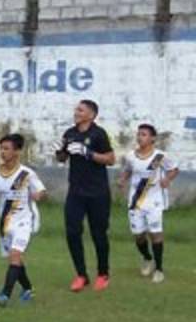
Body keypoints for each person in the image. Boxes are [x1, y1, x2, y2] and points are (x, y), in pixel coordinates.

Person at [0, 134, 47, 305]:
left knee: (15, 254)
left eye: (6, 149)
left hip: (24, 221)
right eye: (1, 149)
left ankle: (5, 294)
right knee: (15, 259)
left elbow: (41, 191)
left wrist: (38, 195)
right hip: (5, 223)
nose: (3, 152)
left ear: (17, 151)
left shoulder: (26, 174)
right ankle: (28, 289)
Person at [55, 99, 115, 292]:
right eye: (76, 109)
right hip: (76, 192)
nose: (76, 112)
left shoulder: (98, 134)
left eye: (80, 110)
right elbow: (63, 159)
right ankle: (81, 275)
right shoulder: (70, 134)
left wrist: (88, 153)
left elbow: (110, 159)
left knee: (98, 234)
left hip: (98, 193)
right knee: (72, 232)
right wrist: (60, 152)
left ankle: (103, 273)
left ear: (91, 114)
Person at [117, 123, 179, 283]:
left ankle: (159, 269)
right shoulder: (131, 156)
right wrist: (122, 179)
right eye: (139, 134)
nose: (140, 137)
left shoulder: (160, 156)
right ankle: (147, 258)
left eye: (144, 134)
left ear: (152, 138)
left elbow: (174, 169)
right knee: (138, 235)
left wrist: (167, 178)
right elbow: (128, 170)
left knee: (155, 233)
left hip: (154, 200)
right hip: (136, 200)